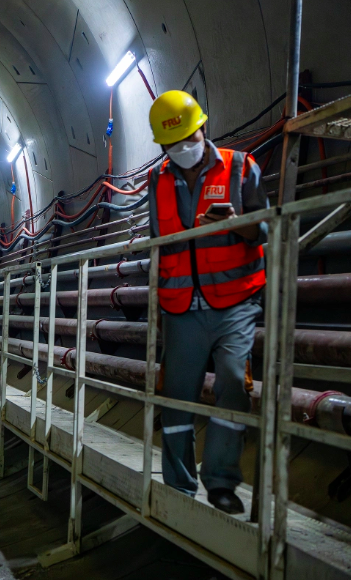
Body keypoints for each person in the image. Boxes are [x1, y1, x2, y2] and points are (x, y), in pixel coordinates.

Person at [147, 90, 268, 514]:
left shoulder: (240, 166)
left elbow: (264, 231)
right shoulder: (158, 180)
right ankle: (179, 484)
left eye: (188, 139)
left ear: (203, 128)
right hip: (180, 306)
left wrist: (239, 223)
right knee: (177, 395)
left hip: (234, 301)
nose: (183, 149)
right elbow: (157, 246)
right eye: (172, 145)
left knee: (233, 384)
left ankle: (221, 482)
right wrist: (160, 309)